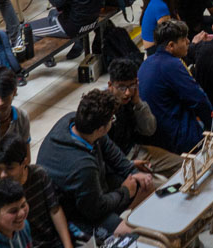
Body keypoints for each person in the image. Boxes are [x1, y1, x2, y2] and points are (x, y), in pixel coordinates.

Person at [36, 90, 156, 239]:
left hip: (94, 190)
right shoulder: (82, 166)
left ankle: (128, 217)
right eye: (111, 119)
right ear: (100, 129)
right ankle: (123, 224)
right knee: (132, 235)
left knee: (144, 183)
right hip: (79, 214)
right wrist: (125, 191)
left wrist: (132, 172)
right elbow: (95, 209)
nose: (113, 121)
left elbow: (110, 149)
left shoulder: (73, 120)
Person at [138, 18, 212, 154]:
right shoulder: (172, 65)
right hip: (175, 137)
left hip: (156, 134)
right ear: (171, 45)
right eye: (184, 40)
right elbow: (199, 100)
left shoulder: (147, 63)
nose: (189, 42)